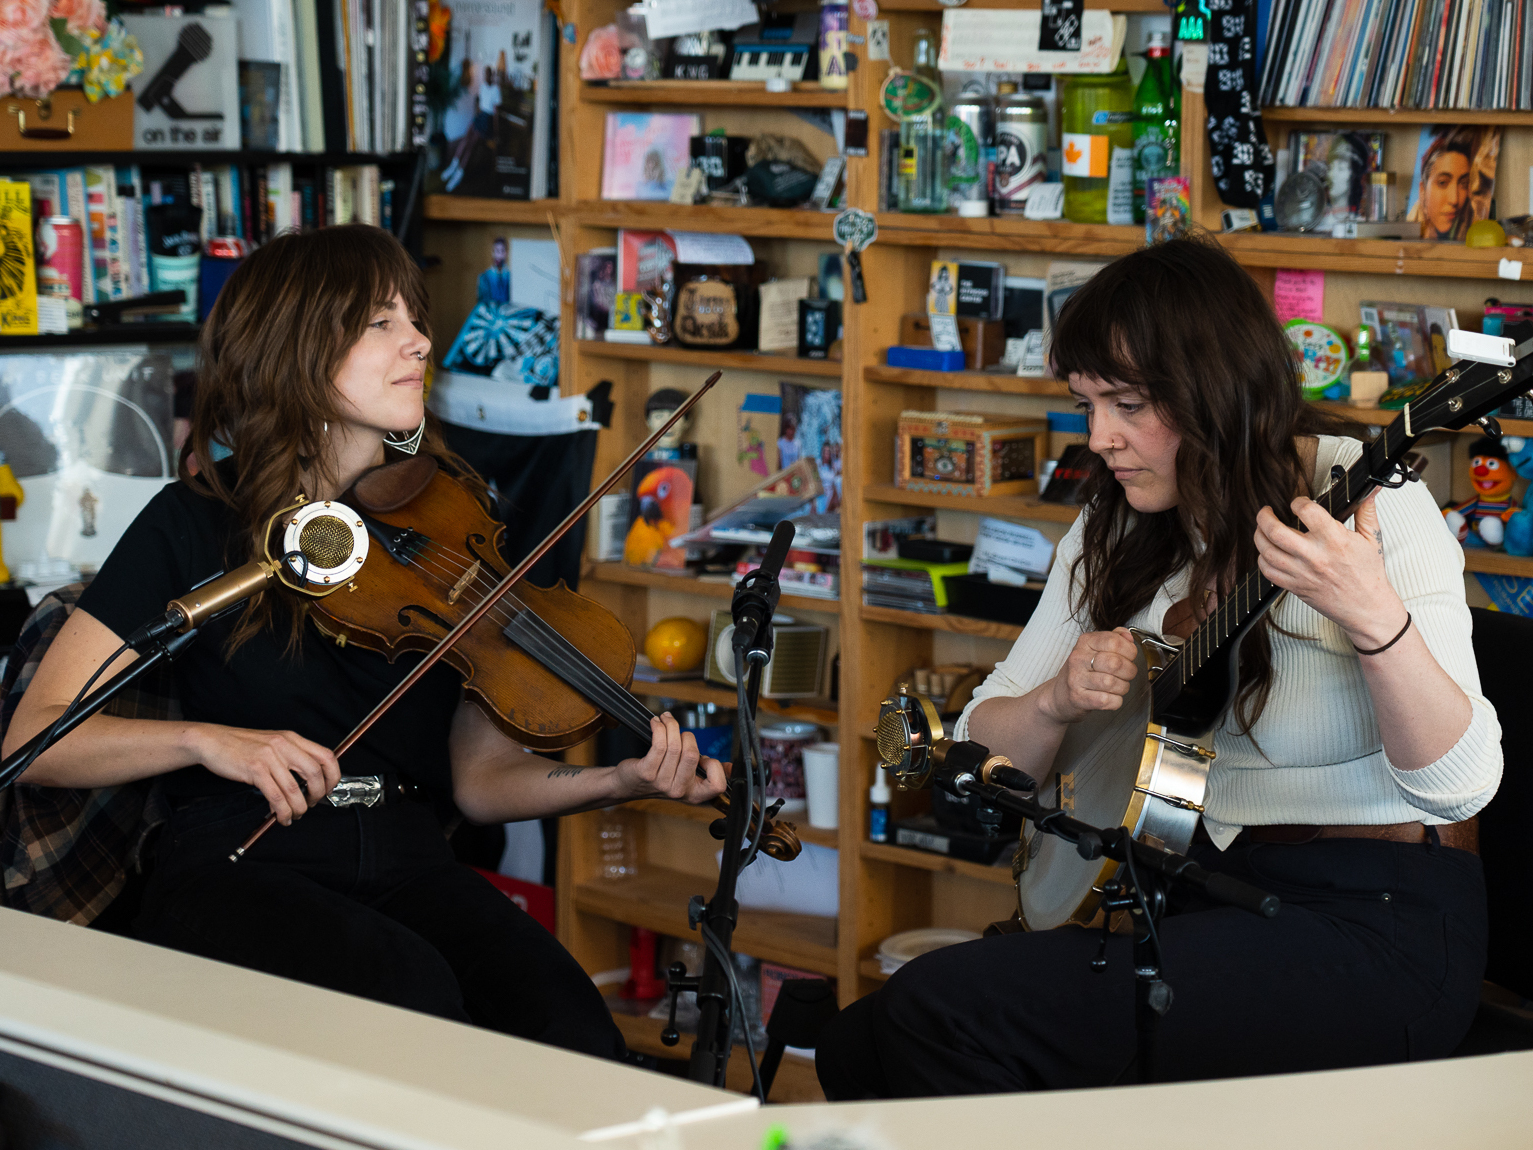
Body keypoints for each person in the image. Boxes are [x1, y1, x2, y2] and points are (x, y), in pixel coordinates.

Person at [2, 224, 727, 1061]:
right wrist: (208, 742)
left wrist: (617, 778)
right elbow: (36, 736)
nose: (418, 338)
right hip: (246, 857)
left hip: (405, 851)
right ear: (296, 346)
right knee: (410, 1006)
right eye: (379, 322)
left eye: (411, 317)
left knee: (570, 1035)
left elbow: (480, 781)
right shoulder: (198, 521)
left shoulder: (457, 526)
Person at [816, 237, 1500, 1098]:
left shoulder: (1367, 503)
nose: (1099, 437)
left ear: (1211, 390)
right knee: (856, 1044)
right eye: (1086, 404)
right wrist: (1059, 699)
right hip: (1201, 886)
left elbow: (1460, 785)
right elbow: (983, 756)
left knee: (939, 1012)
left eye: (1128, 405)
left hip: (1374, 919)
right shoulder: (1115, 526)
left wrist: (1371, 615)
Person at [476, 236, 510, 305]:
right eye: (497, 251)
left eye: (502, 251)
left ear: (506, 253)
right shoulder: (484, 277)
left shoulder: (511, 277)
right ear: (492, 253)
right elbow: (482, 302)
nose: (499, 255)